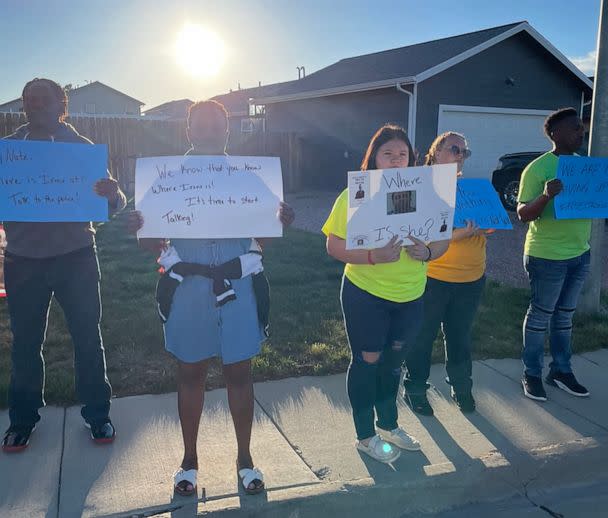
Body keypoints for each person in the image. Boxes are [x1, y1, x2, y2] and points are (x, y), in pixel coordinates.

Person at [127, 100, 295, 496]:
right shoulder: (166, 177)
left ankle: (245, 458)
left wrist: (279, 220)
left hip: (237, 289)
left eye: (216, 125)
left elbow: (264, 239)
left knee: (239, 372)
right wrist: (138, 225)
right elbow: (151, 242)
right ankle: (189, 460)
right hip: (188, 289)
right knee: (191, 373)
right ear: (188, 132)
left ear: (227, 131)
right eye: (199, 126)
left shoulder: (248, 178)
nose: (208, 132)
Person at [2, 78, 127, 452]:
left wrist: (113, 193)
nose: (34, 106)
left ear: (62, 104)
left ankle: (97, 414)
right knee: (25, 343)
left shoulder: (82, 149)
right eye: (28, 101)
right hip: (22, 261)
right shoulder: (8, 152)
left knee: (88, 338)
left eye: (43, 100)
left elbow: (111, 206)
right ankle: (22, 419)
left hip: (76, 258)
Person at [323, 124, 449, 463]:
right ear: (374, 158)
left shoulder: (429, 193)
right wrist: (371, 256)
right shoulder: (356, 194)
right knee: (368, 361)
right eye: (387, 154)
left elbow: (441, 238)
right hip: (366, 292)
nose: (395, 160)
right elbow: (333, 244)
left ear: (411, 159)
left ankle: (389, 425)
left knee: (393, 363)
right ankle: (365, 435)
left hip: (410, 295)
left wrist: (430, 253)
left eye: (402, 154)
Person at [404, 132, 486, 415]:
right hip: (434, 276)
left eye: (465, 151)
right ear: (436, 151)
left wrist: (487, 223)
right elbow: (418, 230)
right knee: (422, 336)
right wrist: (458, 234)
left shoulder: (471, 189)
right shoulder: (422, 187)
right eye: (454, 149)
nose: (460, 155)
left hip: (471, 277)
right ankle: (415, 388)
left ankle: (462, 387)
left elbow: (491, 223)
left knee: (460, 336)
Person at [517, 107, 590, 401]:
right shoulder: (537, 168)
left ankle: (561, 370)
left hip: (579, 254)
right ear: (555, 134)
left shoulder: (583, 166)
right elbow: (522, 214)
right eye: (575, 128)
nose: (580, 132)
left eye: (581, 128)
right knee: (540, 317)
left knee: (564, 317)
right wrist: (546, 195)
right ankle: (531, 373)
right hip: (546, 256)